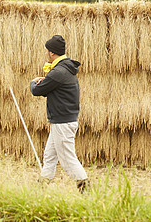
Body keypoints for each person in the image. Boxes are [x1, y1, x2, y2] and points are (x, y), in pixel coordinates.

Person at [29, 35, 89, 193]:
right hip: (62, 121)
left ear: (52, 53)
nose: (46, 54)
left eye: (47, 51)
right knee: (49, 156)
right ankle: (41, 187)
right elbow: (53, 84)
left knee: (68, 160)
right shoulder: (65, 69)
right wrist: (48, 79)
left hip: (62, 122)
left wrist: (33, 82)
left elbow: (38, 91)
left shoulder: (58, 72)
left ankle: (86, 191)